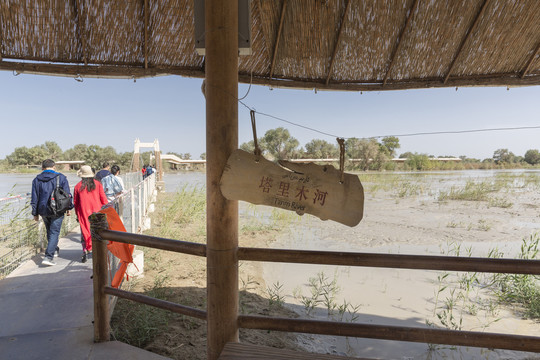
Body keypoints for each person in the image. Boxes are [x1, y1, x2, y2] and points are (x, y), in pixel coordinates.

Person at [30, 159, 73, 266]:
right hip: (58, 209)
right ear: (54, 167)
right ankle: (48, 257)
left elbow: (34, 198)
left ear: (42, 168)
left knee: (50, 231)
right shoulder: (61, 177)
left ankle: (55, 249)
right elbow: (67, 195)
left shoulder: (36, 179)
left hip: (43, 209)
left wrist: (35, 213)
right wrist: (69, 208)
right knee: (54, 232)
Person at [73, 165, 108, 263]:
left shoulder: (77, 186)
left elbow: (76, 203)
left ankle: (85, 250)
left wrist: (77, 214)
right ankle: (98, 250)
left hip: (83, 211)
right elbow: (104, 199)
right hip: (98, 211)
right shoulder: (98, 184)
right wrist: (107, 210)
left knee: (85, 230)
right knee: (98, 230)